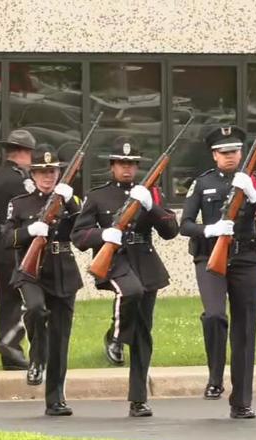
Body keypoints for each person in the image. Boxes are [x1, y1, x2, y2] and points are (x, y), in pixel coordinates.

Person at [71, 137, 179, 417]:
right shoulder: (98, 196)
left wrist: (151, 206)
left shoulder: (149, 193)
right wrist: (103, 234)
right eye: (121, 163)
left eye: (132, 164)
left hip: (145, 262)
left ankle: (138, 399)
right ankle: (117, 337)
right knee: (131, 291)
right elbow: (78, 236)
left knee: (143, 333)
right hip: (115, 260)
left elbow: (171, 231)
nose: (127, 168)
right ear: (112, 166)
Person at [179, 125, 256, 419]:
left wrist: (253, 194)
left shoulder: (254, 181)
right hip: (210, 257)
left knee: (245, 330)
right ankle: (215, 375)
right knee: (214, 315)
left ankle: (242, 401)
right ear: (214, 155)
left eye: (234, 151)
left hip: (246, 258)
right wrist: (210, 229)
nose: (230, 156)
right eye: (224, 152)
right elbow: (185, 224)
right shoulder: (203, 183)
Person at [2, 145, 82, 415]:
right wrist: (29, 231)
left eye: (52, 171)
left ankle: (55, 399)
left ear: (59, 173)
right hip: (32, 272)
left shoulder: (70, 201)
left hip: (63, 271)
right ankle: (37, 357)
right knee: (35, 309)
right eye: (42, 172)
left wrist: (72, 203)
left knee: (60, 337)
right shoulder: (20, 203)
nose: (48, 176)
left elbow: (83, 234)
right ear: (33, 174)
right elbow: (6, 238)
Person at [0, 129, 37, 370]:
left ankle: (11, 358)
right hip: (12, 245)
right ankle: (9, 341)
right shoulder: (20, 180)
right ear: (23, 152)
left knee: (6, 300)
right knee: (26, 298)